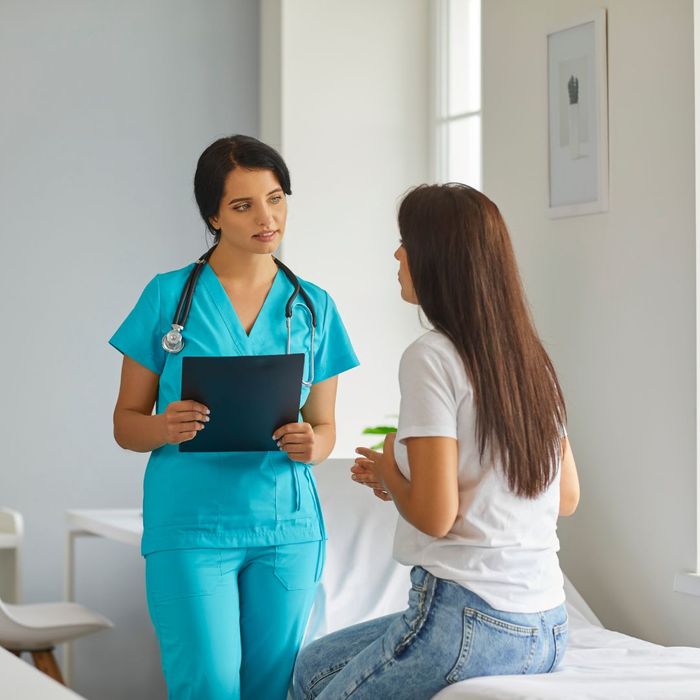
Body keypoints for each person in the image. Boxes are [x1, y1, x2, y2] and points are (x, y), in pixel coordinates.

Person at [292, 183, 580, 699]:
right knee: (312, 668)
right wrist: (405, 481)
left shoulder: (431, 356)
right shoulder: (531, 359)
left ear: (440, 259)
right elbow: (565, 497)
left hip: (469, 616)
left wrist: (390, 474)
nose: (398, 254)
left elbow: (434, 516)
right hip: (548, 625)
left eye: (407, 242)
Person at [110, 135, 359, 700]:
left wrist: (310, 445)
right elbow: (126, 423)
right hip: (192, 528)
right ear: (213, 215)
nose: (267, 218)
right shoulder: (167, 296)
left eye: (276, 198)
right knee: (209, 686)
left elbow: (326, 428)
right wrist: (163, 426)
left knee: (272, 689)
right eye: (244, 205)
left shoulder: (314, 305)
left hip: (287, 528)